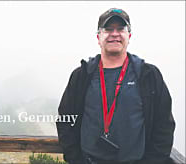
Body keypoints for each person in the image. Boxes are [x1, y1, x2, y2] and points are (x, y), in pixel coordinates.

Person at [56, 8, 175, 164]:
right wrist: (75, 158)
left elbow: (164, 125)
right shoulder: (82, 75)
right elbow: (65, 119)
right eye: (108, 29)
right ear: (99, 37)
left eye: (120, 29)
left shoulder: (148, 75)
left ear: (129, 36)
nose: (114, 34)